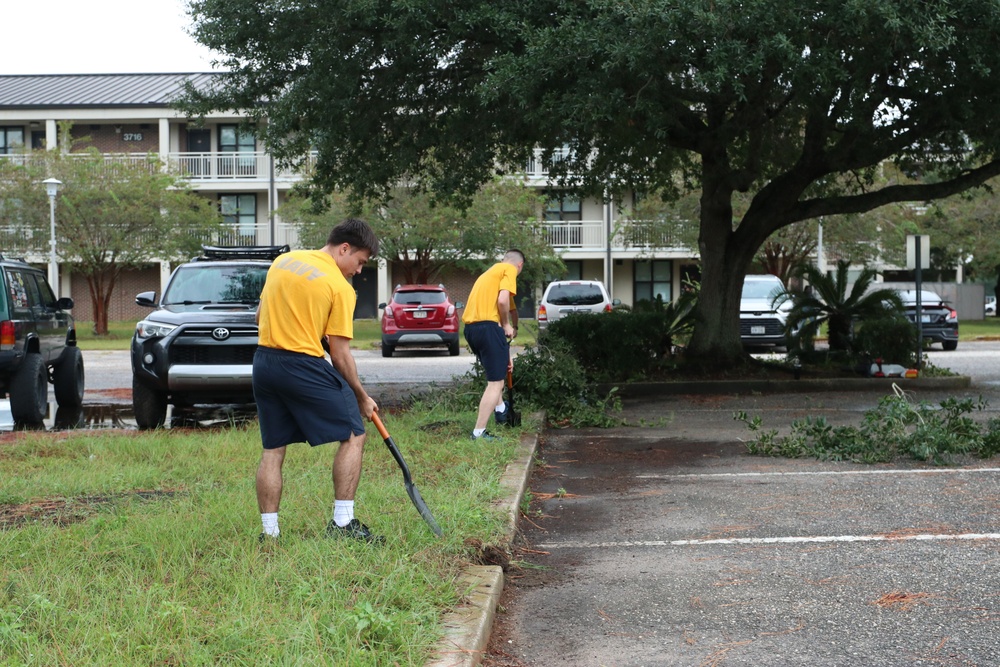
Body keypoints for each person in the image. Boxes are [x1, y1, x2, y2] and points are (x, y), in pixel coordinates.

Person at [252, 218, 382, 544]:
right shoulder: (340, 287)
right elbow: (339, 355)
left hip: (265, 363)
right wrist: (362, 397)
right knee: (354, 435)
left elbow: (259, 316)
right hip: (303, 365)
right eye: (360, 261)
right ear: (344, 248)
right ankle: (342, 524)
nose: (358, 270)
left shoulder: (284, 261)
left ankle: (270, 534)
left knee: (272, 450)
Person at [462, 249, 525, 439]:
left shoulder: (489, 274)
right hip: (489, 328)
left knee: (495, 373)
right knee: (496, 383)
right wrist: (507, 325)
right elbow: (503, 301)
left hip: (471, 330)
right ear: (519, 265)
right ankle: (479, 432)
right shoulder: (510, 270)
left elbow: (503, 308)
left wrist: (506, 353)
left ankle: (501, 411)